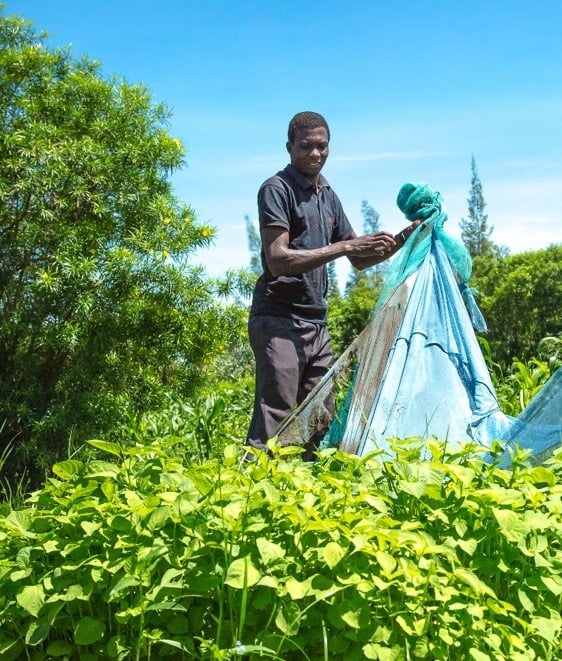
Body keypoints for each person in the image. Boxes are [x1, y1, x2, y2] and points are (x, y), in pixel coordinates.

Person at [245, 111, 419, 460]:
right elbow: (278, 260)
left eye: (322, 146)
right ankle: (247, 488)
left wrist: (401, 241)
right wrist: (344, 247)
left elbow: (358, 258)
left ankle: (314, 491)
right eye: (306, 146)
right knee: (276, 409)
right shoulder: (277, 189)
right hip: (279, 320)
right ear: (289, 147)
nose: (315, 154)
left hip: (316, 323)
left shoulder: (327, 194)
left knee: (320, 415)